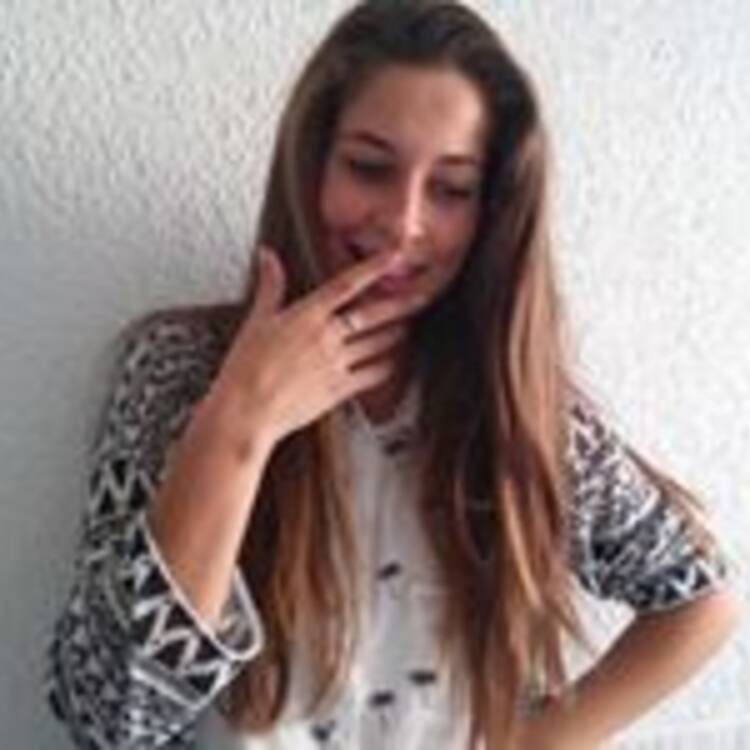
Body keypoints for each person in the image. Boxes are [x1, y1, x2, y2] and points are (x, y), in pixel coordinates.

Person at [43, 1, 741, 748]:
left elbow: (700, 598)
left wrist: (534, 743)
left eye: (452, 188)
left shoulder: (508, 406)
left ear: (491, 209)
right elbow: (109, 720)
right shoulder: (178, 370)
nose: (404, 222)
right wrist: (239, 425)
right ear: (311, 164)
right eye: (370, 168)